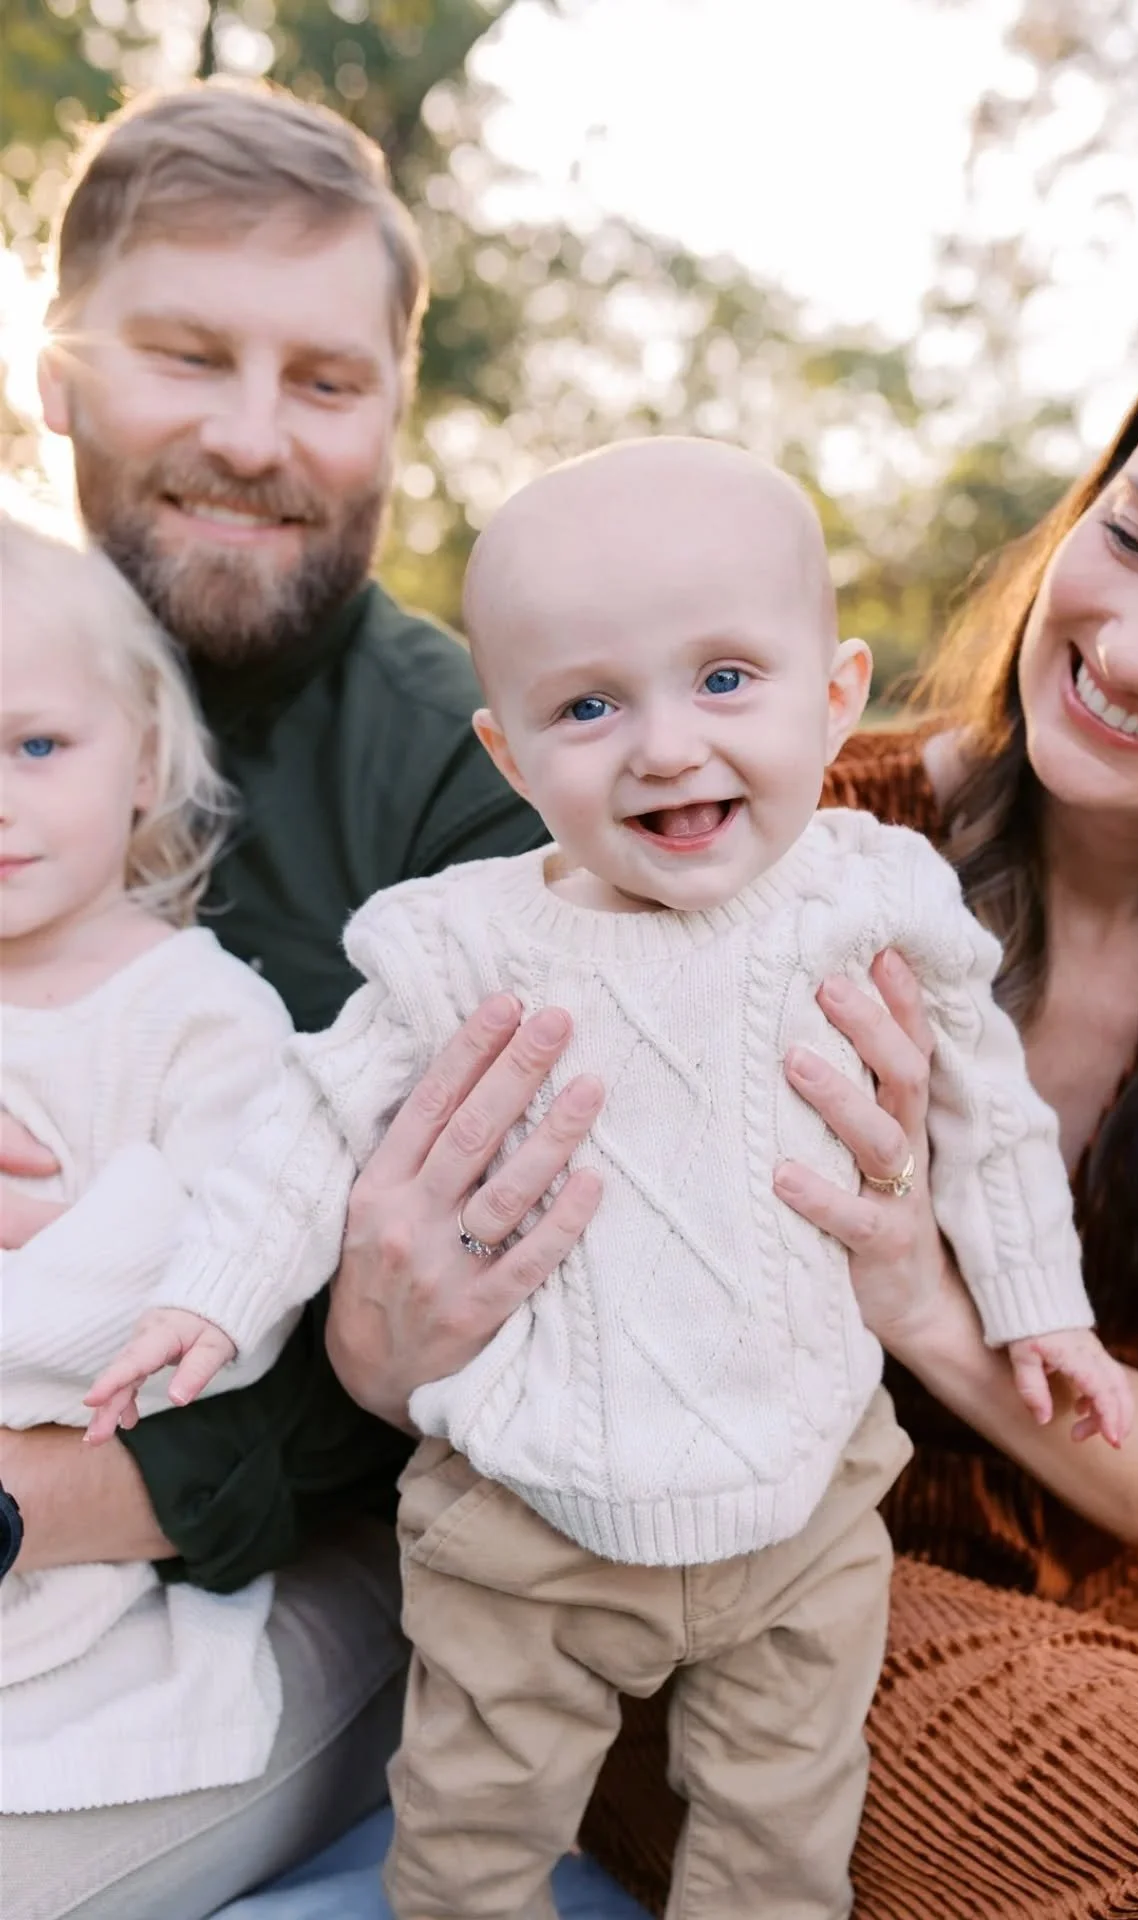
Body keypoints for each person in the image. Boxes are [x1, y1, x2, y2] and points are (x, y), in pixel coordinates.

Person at [87, 437, 1131, 1920]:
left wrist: (1039, 1307)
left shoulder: (870, 894)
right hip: (527, 1515)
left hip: (804, 1501)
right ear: (508, 754)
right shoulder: (462, 942)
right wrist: (212, 1300)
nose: (663, 745)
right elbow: (312, 1122)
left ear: (835, 699)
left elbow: (989, 1108)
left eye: (725, 680)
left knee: (782, 1841)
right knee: (468, 1843)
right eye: (588, 705)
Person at [561, 292, 1138, 1915]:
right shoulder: (776, 835)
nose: (1135, 643)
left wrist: (936, 1310)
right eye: (1135, 538)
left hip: (1125, 1602)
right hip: (740, 1586)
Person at [0, 80, 607, 1920]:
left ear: (395, 422)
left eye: (327, 384)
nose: (255, 440)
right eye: (188, 355)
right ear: (60, 372)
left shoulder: (484, 795)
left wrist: (40, 1500)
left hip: (300, 1555)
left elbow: (487, 1325)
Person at [0, 515, 296, 1817]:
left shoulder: (198, 1014)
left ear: (144, 761)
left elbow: (246, 1259)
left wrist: (73, 1262)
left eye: (38, 745)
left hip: (69, 1531)